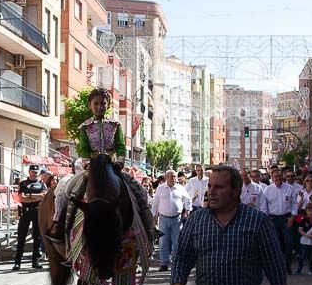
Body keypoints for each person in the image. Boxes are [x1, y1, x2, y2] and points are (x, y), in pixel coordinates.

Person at [47, 88, 150, 245]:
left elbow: (120, 146)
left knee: (139, 190)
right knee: (65, 190)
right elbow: (83, 148)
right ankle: (59, 225)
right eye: (96, 103)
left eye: (103, 103)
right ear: (90, 105)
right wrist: (87, 164)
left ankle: (149, 227)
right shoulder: (85, 127)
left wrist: (120, 161)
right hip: (91, 168)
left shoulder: (115, 125)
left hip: (112, 167)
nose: (100, 106)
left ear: (108, 105)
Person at [152, 170, 192, 271]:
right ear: (166, 178)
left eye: (175, 176)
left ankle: (176, 262)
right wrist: (154, 216)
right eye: (172, 176)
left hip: (177, 219)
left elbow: (188, 200)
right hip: (163, 219)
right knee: (163, 242)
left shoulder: (180, 188)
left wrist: (187, 210)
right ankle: (164, 263)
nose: (174, 178)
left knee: (177, 242)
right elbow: (155, 203)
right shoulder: (160, 188)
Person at [258, 167, 296, 272]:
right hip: (273, 219)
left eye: (279, 176)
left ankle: (287, 264)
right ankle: (278, 265)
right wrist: (267, 220)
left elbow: (294, 204)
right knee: (276, 243)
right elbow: (264, 206)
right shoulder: (267, 190)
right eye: (276, 176)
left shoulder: (289, 188)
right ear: (272, 177)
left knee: (289, 242)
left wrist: (292, 217)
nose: (278, 178)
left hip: (287, 218)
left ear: (282, 176)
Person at [13, 165, 46, 270]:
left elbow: (44, 196)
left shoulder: (41, 183)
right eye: (33, 172)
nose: (34, 174)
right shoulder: (23, 183)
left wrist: (30, 196)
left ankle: (35, 261)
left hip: (37, 212)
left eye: (36, 172)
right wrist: (36, 197)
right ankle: (17, 262)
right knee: (21, 237)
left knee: (37, 237)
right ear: (29, 172)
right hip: (25, 212)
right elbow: (22, 198)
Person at [294, 202, 312, 275]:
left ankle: (311, 269)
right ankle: (299, 268)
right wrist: (307, 235)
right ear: (306, 211)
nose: (311, 213)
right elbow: (300, 230)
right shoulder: (303, 219)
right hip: (304, 240)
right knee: (303, 255)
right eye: (309, 211)